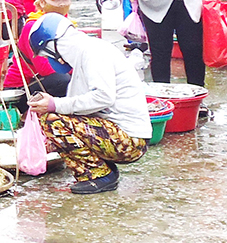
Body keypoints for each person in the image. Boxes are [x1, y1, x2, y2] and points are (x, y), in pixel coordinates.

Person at [27, 13, 151, 194]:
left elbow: (103, 97)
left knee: (52, 120)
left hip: (131, 141)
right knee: (53, 119)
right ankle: (99, 169)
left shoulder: (93, 52)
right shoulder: (85, 53)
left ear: (53, 46)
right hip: (117, 133)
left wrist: (54, 104)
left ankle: (100, 175)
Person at [2, 0, 74, 97]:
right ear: (42, 3)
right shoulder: (34, 27)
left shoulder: (66, 25)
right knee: (63, 81)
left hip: (46, 81)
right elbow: (46, 69)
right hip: (20, 89)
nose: (62, 4)